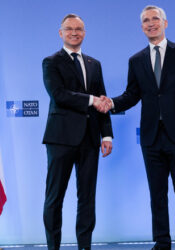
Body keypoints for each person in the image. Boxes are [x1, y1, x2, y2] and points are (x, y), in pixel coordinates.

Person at [98, 5, 175, 250]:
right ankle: (162, 242)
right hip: (151, 138)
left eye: (155, 19)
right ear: (142, 26)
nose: (151, 23)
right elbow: (132, 95)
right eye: (146, 20)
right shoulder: (136, 60)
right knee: (157, 194)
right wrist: (112, 103)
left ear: (165, 23)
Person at [42, 14, 113, 250]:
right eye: (69, 29)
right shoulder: (51, 62)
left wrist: (107, 134)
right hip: (60, 139)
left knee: (87, 199)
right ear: (60, 33)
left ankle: (85, 246)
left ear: (84, 33)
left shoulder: (94, 64)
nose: (75, 32)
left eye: (79, 29)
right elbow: (59, 95)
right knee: (55, 198)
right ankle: (54, 247)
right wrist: (92, 100)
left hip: (90, 140)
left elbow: (102, 100)